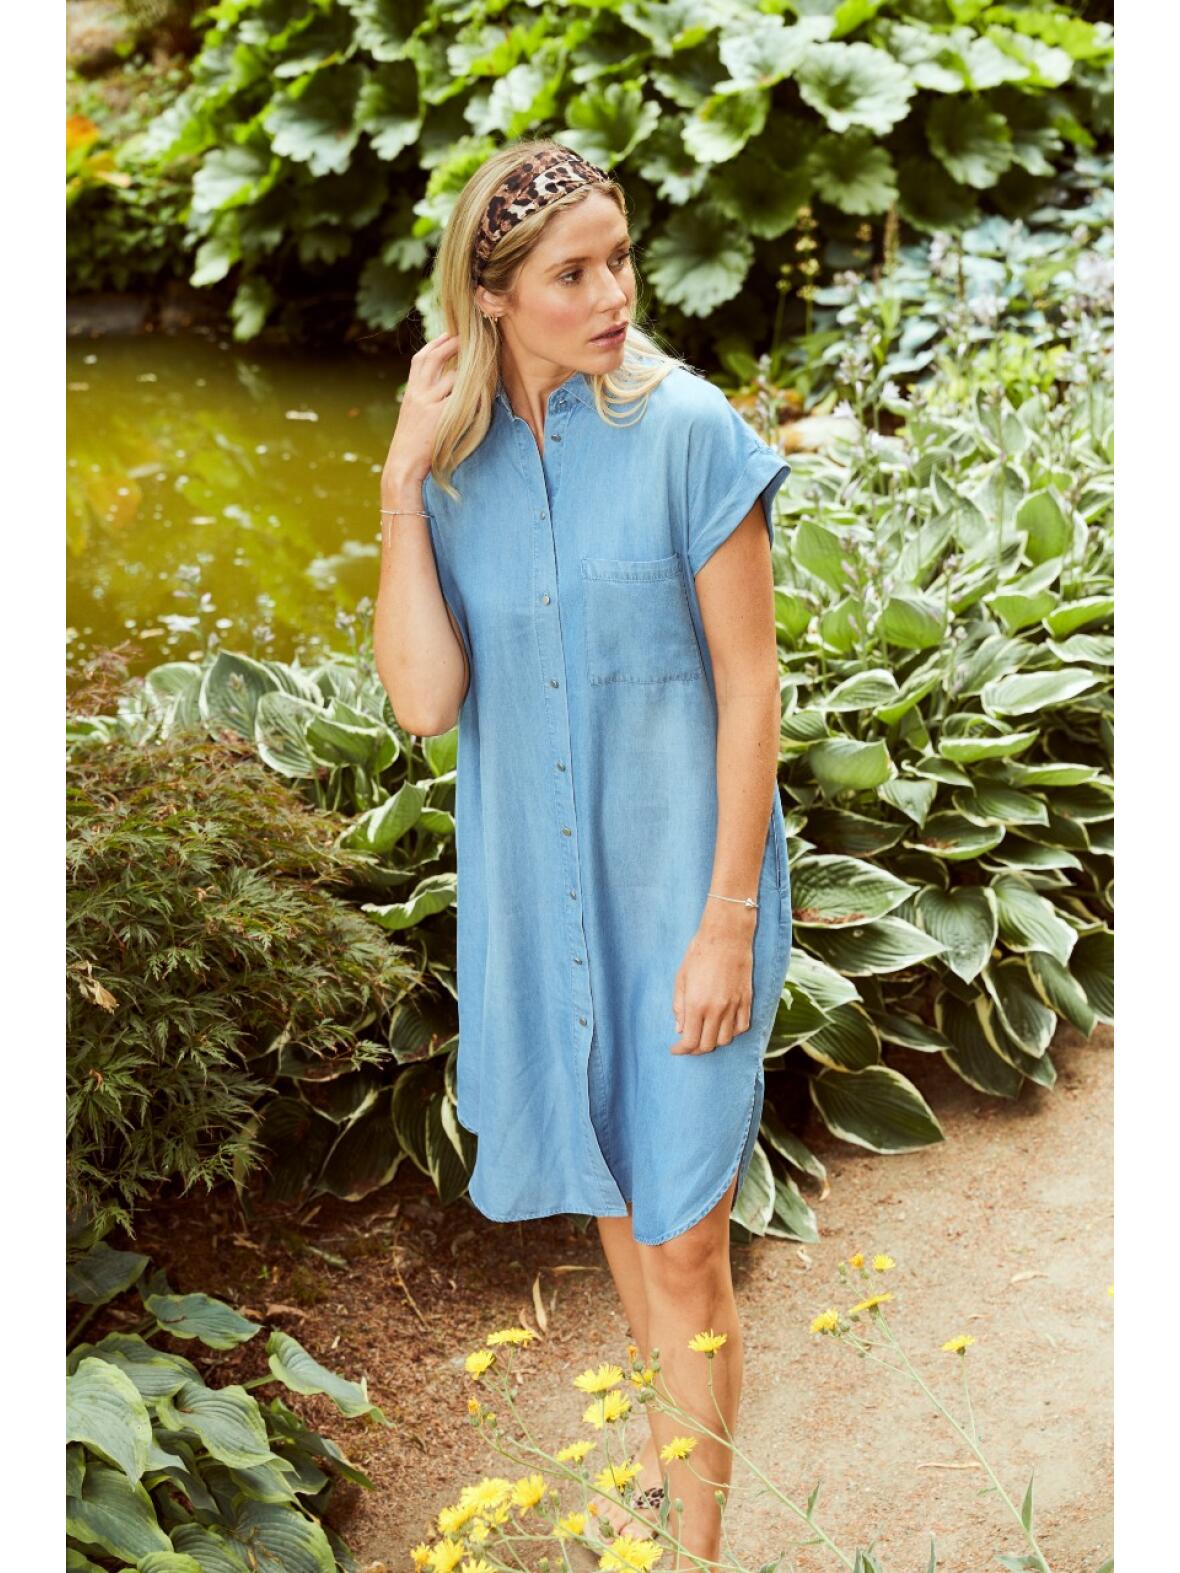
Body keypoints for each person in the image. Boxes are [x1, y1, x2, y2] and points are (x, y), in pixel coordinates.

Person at [373, 138, 793, 1565]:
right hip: (545, 912)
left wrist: (726, 922)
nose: (614, 294)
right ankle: (680, 1511)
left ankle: (696, 1552)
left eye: (619, 259)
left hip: (685, 900)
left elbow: (751, 685)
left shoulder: (688, 429)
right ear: (492, 297)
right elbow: (425, 701)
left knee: (686, 1236)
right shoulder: (455, 469)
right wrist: (400, 481)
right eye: (573, 274)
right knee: (624, 1214)